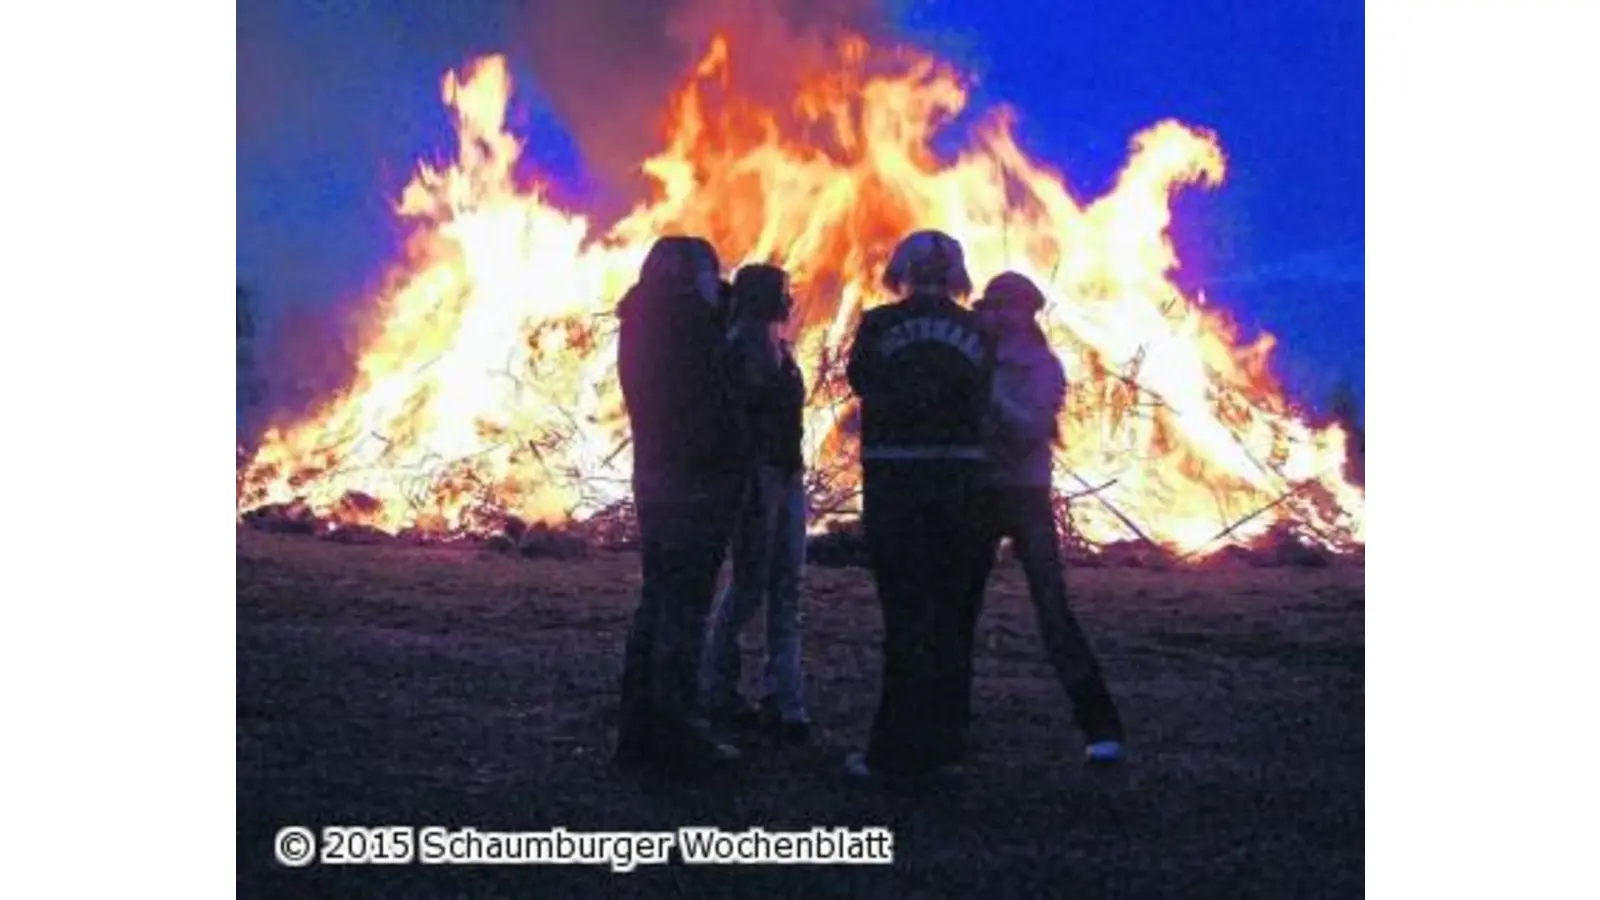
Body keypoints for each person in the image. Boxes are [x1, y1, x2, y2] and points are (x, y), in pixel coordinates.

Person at [842, 230, 995, 785]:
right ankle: (948, 747)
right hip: (962, 489)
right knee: (954, 619)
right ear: (956, 273)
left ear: (900, 270)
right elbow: (988, 392)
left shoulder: (880, 325)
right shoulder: (979, 328)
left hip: (897, 488)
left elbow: (860, 380)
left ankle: (893, 751)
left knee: (904, 619)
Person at [969, 272, 1125, 764]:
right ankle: (945, 723)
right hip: (977, 492)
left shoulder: (1042, 366)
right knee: (957, 609)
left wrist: (989, 397)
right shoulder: (974, 357)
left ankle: (1100, 727)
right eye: (990, 306)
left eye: (1004, 307)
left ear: (1025, 313)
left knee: (1052, 610)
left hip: (1024, 493)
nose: (994, 315)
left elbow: (1033, 428)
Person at [613, 235, 750, 775]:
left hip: (655, 476)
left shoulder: (641, 322)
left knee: (657, 601)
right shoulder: (693, 329)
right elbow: (719, 402)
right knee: (685, 608)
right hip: (697, 481)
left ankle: (638, 730)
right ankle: (677, 731)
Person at [700, 264, 812, 744]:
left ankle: (784, 699)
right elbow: (740, 421)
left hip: (785, 476)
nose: (790, 300)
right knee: (751, 586)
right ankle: (717, 687)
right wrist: (752, 481)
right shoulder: (742, 349)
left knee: (784, 587)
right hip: (760, 479)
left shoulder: (775, 347)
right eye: (784, 292)